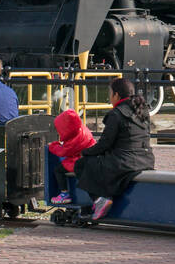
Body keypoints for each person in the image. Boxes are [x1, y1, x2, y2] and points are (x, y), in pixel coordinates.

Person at [74, 77, 155, 221]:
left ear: (116, 95)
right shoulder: (143, 110)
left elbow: (105, 144)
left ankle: (99, 200)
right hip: (146, 160)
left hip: (125, 163)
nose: (109, 97)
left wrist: (85, 152)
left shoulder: (116, 114)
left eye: (110, 93)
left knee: (82, 164)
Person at [48, 109, 98, 204]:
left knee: (58, 170)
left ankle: (64, 194)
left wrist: (52, 145)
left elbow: (62, 152)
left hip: (80, 160)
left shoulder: (73, 141)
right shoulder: (82, 129)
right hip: (90, 156)